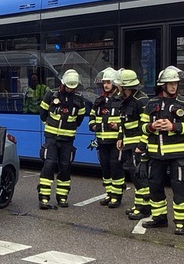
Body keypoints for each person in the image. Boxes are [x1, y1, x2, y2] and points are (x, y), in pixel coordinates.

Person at [140, 66, 184, 235]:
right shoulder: (151, 104)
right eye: (170, 84)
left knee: (179, 188)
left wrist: (174, 127)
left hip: (178, 155)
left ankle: (181, 223)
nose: (174, 86)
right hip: (155, 154)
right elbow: (142, 127)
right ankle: (159, 218)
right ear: (163, 85)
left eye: (175, 83)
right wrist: (152, 126)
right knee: (155, 187)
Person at [37, 69, 88, 209]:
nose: (71, 90)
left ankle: (62, 197)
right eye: (68, 87)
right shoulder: (51, 94)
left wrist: (69, 128)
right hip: (51, 137)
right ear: (63, 83)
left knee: (65, 167)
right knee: (49, 164)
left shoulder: (79, 99)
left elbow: (80, 118)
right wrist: (49, 124)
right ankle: (44, 197)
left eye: (73, 87)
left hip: (68, 139)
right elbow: (42, 113)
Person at [117, 69, 151, 220]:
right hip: (130, 144)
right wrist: (120, 137)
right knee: (134, 175)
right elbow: (123, 122)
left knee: (140, 176)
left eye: (119, 85)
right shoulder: (126, 100)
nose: (117, 87)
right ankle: (139, 205)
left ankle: (145, 208)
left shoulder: (141, 101)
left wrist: (141, 145)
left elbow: (147, 125)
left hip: (138, 145)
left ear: (125, 86)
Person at [89, 67, 124, 208]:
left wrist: (118, 126)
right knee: (105, 167)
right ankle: (109, 193)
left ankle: (117, 196)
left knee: (116, 167)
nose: (106, 85)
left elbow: (127, 120)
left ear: (114, 83)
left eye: (108, 82)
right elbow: (92, 116)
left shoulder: (121, 100)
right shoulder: (99, 101)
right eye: (104, 82)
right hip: (102, 141)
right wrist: (93, 125)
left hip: (115, 141)